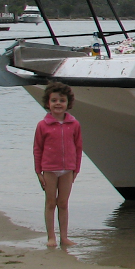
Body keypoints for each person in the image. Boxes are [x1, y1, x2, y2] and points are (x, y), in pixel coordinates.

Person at [33, 82, 83, 248]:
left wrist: (76, 168)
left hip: (68, 169)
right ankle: (51, 238)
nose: (58, 103)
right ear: (48, 103)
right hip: (49, 169)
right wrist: (38, 171)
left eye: (62, 100)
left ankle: (64, 237)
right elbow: (37, 148)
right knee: (50, 203)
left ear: (68, 103)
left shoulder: (74, 124)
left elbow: (78, 147)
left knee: (63, 203)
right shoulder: (43, 125)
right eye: (54, 100)